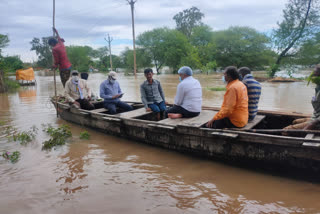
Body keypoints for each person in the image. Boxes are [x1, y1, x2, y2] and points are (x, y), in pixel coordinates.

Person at [284, 65, 320, 130]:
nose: (313, 77)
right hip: (315, 117)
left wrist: (311, 124)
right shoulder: (318, 87)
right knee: (295, 121)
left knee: (285, 130)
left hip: (317, 121)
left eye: (317, 74)